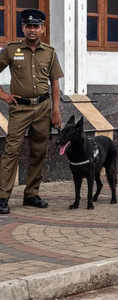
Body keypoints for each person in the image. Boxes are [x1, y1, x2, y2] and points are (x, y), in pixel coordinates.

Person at [0, 9, 64, 214]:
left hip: (43, 108)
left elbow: (55, 83)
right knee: (11, 151)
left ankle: (32, 194)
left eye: (36, 26)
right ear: (23, 28)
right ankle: (2, 197)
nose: (32, 30)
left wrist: (56, 111)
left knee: (39, 151)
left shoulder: (50, 52)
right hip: (20, 108)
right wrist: (4, 96)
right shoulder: (11, 50)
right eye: (28, 26)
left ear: (43, 29)